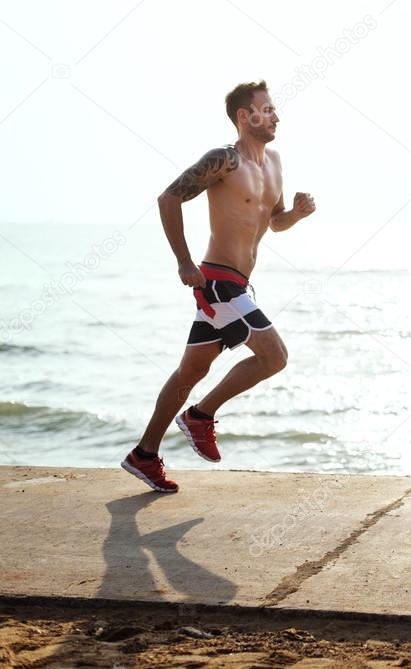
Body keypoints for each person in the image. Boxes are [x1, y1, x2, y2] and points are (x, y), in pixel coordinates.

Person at [121, 80, 315, 493]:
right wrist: (184, 262)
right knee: (274, 357)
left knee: (190, 371)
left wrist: (295, 215)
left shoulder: (275, 162)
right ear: (245, 117)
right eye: (267, 108)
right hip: (219, 283)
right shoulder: (223, 161)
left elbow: (273, 220)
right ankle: (201, 416)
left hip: (239, 284)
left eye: (275, 108)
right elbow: (168, 199)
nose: (276, 115)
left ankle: (144, 455)